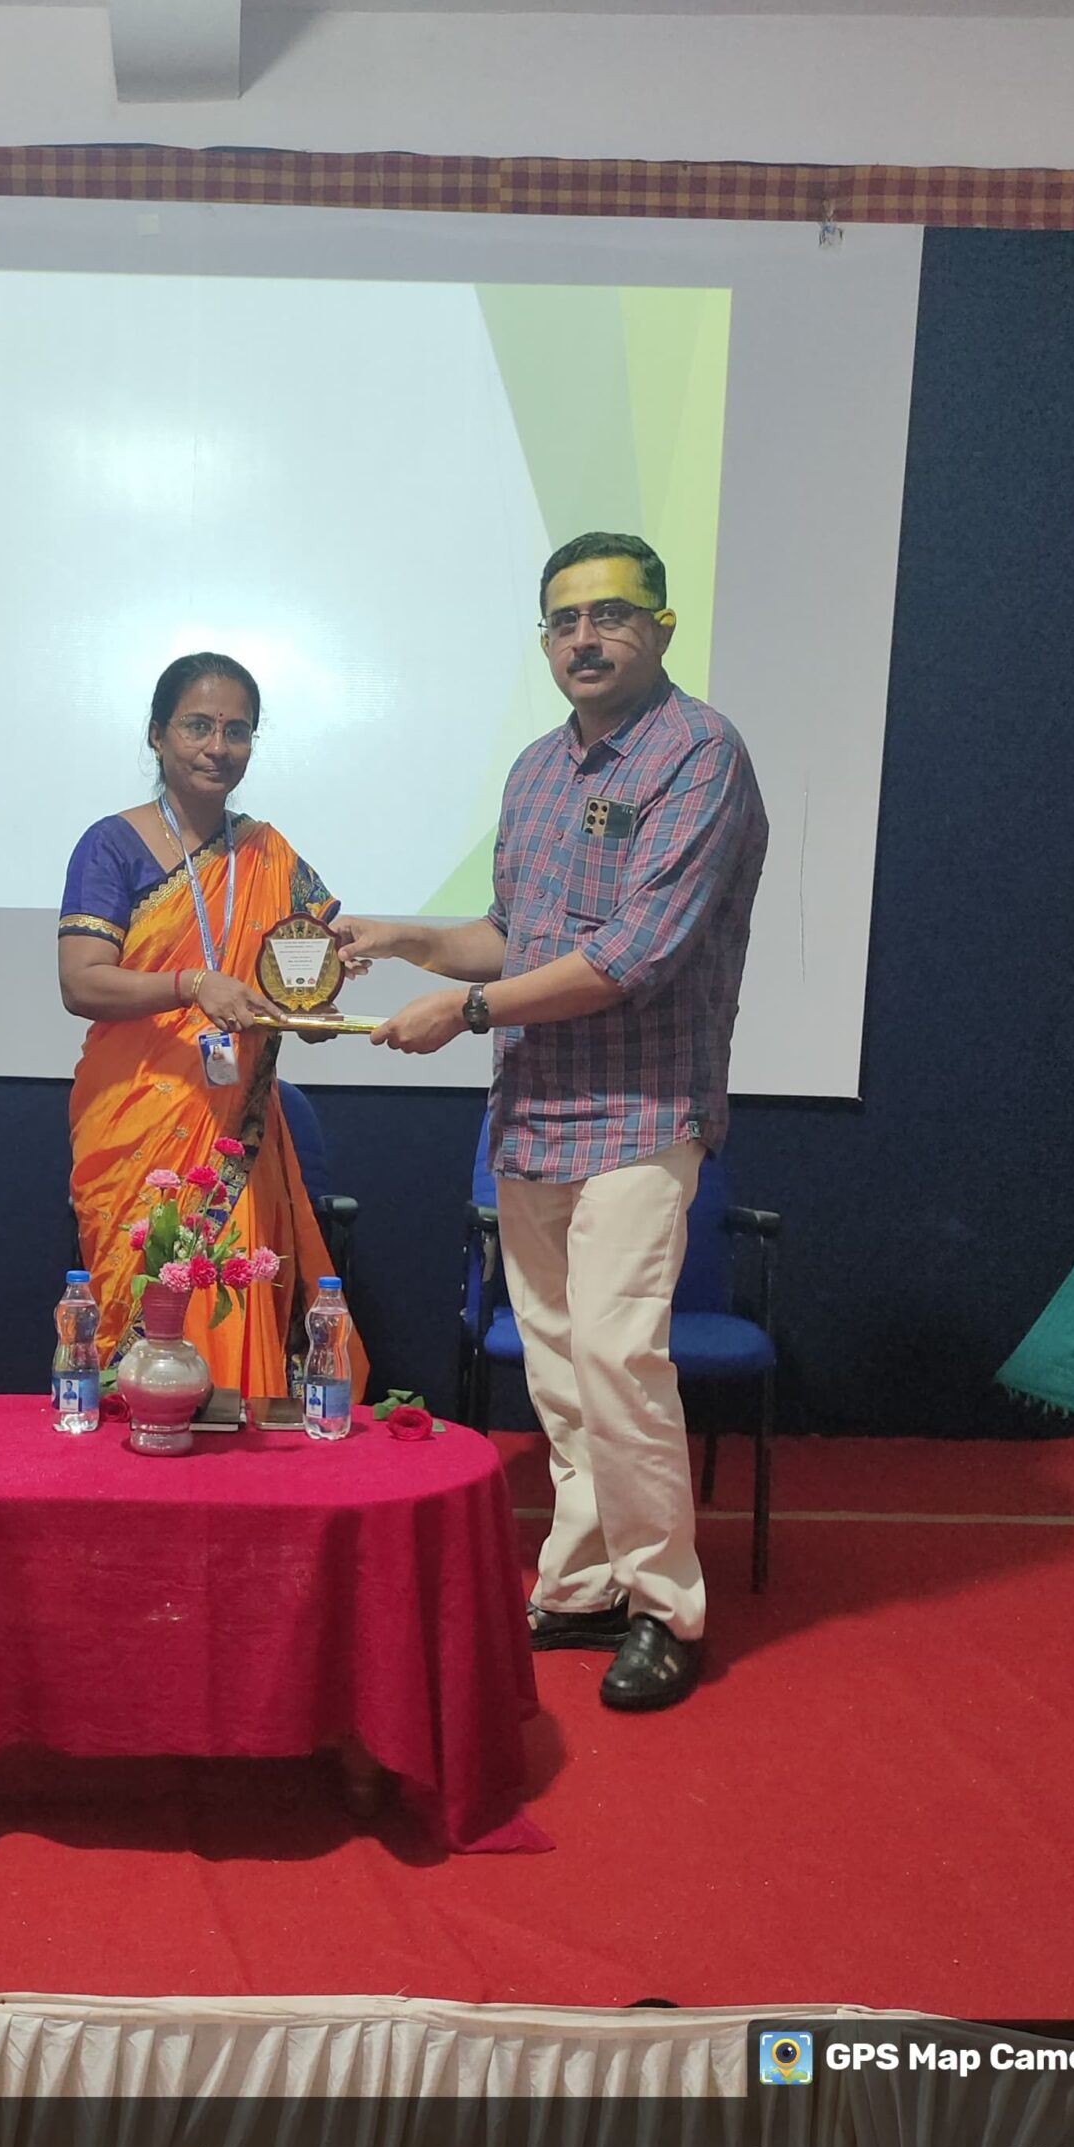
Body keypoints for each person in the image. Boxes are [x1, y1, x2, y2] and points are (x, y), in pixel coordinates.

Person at [337, 531, 766, 1711]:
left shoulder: (700, 754)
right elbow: (511, 932)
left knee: (621, 1361)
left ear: (661, 627)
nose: (585, 637)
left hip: (642, 1109)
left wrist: (467, 1008)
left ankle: (666, 1607)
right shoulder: (534, 770)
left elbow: (634, 954)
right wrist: (406, 939)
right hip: (532, 1113)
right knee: (566, 1373)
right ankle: (583, 1584)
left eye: (611, 614)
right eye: (565, 619)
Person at [58, 652, 367, 1404]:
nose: (217, 747)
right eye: (197, 726)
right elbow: (81, 981)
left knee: (235, 1299)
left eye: (237, 731)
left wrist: (315, 1010)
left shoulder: (269, 855)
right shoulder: (112, 845)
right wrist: (192, 984)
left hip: (235, 1129)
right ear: (157, 734)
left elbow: (305, 972)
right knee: (140, 1300)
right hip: (136, 1118)